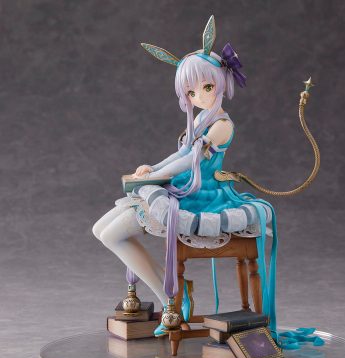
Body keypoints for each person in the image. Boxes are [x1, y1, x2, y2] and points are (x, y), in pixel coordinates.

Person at [93, 16, 277, 338]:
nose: (199, 96)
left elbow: (192, 160)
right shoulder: (202, 119)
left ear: (220, 82)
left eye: (206, 88)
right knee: (100, 230)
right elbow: (180, 154)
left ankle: (173, 299)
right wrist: (152, 169)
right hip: (182, 186)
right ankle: (180, 289)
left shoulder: (222, 126)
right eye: (191, 92)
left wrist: (157, 177)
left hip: (201, 194)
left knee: (112, 236)